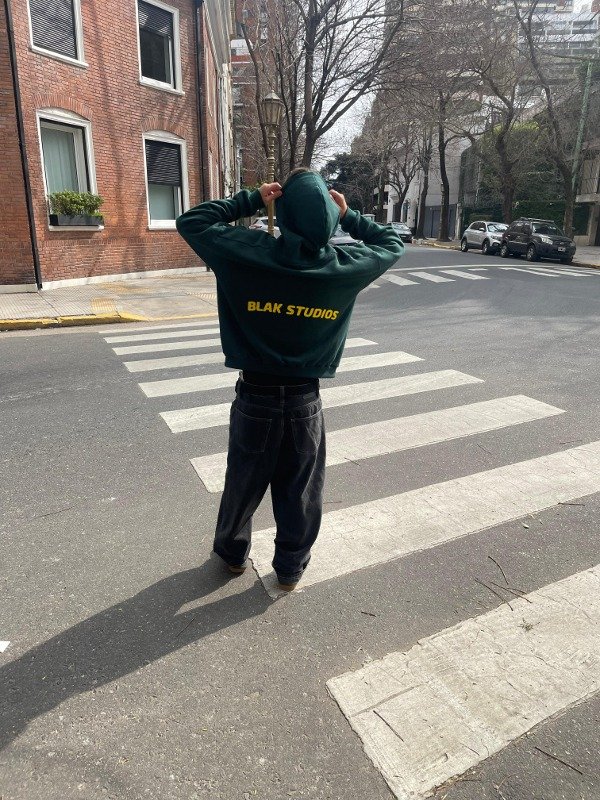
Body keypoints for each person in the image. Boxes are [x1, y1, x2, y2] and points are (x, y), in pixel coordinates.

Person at [176, 169, 404, 591]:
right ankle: (290, 568)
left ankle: (232, 554)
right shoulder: (343, 267)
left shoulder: (247, 253)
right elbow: (392, 243)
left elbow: (192, 222)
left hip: (255, 396)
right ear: (329, 220)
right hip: (304, 401)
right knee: (300, 491)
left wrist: (252, 199)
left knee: (242, 483)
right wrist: (348, 216)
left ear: (280, 211)